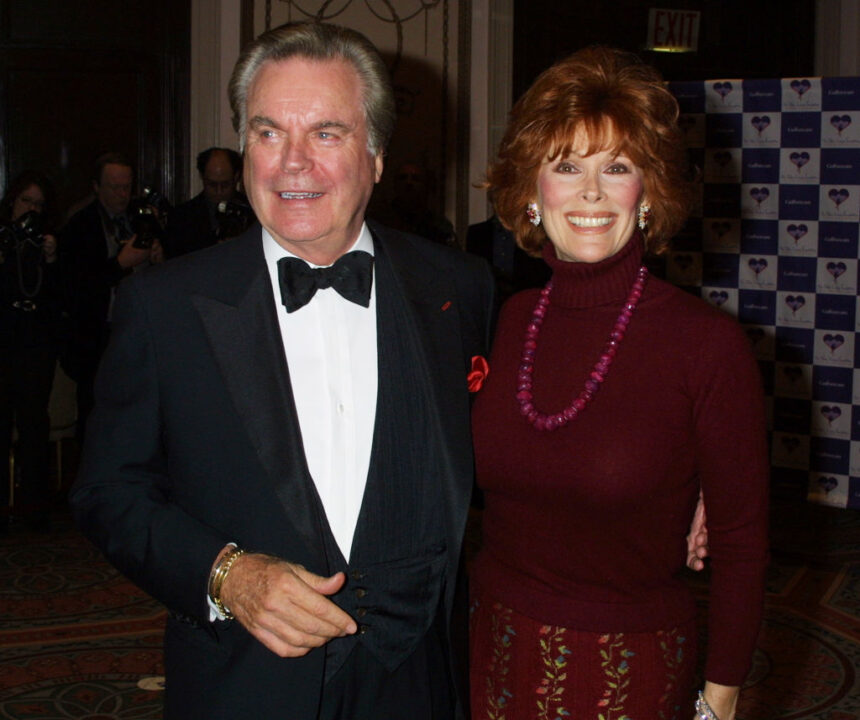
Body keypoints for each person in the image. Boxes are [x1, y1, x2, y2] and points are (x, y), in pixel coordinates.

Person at [68, 21, 495, 720]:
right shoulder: (165, 304)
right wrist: (226, 574)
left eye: (326, 133)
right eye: (268, 133)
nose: (292, 163)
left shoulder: (458, 289)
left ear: (377, 155)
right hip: (244, 684)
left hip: (415, 682)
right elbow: (108, 491)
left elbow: (522, 435)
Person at [468, 47, 769, 720]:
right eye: (567, 166)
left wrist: (719, 701)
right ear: (531, 192)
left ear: (649, 194)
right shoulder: (507, 319)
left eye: (619, 167)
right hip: (494, 649)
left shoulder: (706, 345)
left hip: (626, 673)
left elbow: (743, 544)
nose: (593, 192)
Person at [60, 152, 164, 440]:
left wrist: (158, 256)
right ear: (96, 187)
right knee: (94, 415)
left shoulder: (141, 217)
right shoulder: (79, 226)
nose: (122, 194)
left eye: (126, 187)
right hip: (95, 337)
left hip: (140, 331)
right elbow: (74, 288)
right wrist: (119, 264)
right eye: (114, 187)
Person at [0, 171, 66, 532]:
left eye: (39, 205)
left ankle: (34, 506)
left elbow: (58, 297)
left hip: (35, 346)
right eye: (26, 202)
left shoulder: (45, 244)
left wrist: (51, 260)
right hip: (4, 342)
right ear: (12, 202)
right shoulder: (5, 240)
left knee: (33, 424)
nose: (31, 210)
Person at [163, 147, 255, 258]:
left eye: (225, 185)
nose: (219, 191)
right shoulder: (181, 216)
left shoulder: (253, 212)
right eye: (212, 185)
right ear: (202, 177)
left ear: (236, 177)